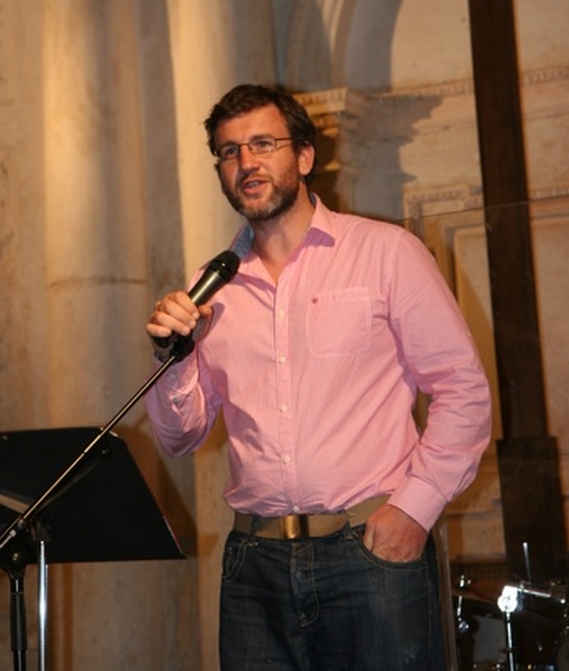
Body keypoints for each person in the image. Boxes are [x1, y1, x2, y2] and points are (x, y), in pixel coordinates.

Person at [145, 83, 492, 671]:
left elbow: (464, 390)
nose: (246, 163)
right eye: (229, 152)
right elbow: (180, 438)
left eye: (262, 144)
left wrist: (414, 510)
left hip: (370, 555)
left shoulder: (386, 253)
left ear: (304, 157)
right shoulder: (210, 286)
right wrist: (173, 358)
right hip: (253, 565)